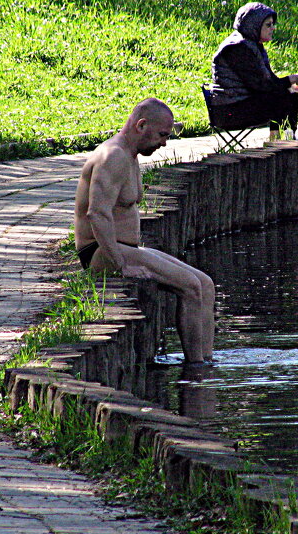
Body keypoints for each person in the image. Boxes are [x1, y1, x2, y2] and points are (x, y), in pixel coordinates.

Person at [74, 98, 215, 365]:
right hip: (99, 252)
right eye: (162, 135)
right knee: (191, 287)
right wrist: (120, 263)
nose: (164, 143)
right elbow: (97, 213)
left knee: (205, 284)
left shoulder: (129, 154)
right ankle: (196, 368)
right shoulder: (113, 156)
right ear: (141, 125)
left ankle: (207, 360)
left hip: (124, 248)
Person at [206, 2, 298, 139]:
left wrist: (295, 82)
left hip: (241, 105)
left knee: (290, 94)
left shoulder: (252, 45)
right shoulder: (238, 48)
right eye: (268, 25)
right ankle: (279, 143)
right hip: (229, 111)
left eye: (272, 24)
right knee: (282, 97)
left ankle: (285, 139)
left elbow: (270, 82)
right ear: (254, 25)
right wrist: (292, 79)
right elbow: (263, 86)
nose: (273, 28)